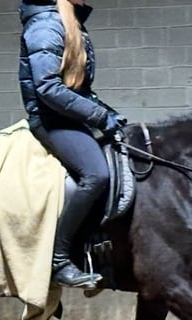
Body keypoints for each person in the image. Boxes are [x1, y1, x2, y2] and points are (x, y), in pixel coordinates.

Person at [19, 0, 127, 288]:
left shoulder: (70, 22)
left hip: (67, 118)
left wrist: (108, 112)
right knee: (97, 174)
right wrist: (101, 117)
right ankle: (58, 261)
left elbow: (78, 89)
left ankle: (93, 249)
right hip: (50, 120)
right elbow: (47, 87)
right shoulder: (47, 25)